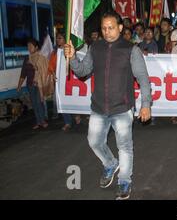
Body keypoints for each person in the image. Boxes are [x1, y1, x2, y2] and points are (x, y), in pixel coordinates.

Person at [64, 11, 152, 200]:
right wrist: (72, 58)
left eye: (111, 27)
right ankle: (110, 163)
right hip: (98, 108)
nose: (107, 31)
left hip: (122, 108)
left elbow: (143, 79)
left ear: (120, 28)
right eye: (104, 28)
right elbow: (83, 71)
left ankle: (124, 181)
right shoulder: (95, 48)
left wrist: (146, 104)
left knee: (125, 148)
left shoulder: (131, 50)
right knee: (94, 141)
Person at [17, 38, 49, 130]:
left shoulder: (41, 57)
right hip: (30, 84)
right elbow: (23, 73)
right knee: (34, 104)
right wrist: (19, 85)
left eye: (31, 46)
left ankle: (42, 121)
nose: (29, 48)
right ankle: (38, 122)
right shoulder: (27, 58)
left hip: (39, 84)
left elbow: (44, 70)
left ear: (36, 47)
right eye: (28, 46)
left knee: (39, 103)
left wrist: (36, 67)